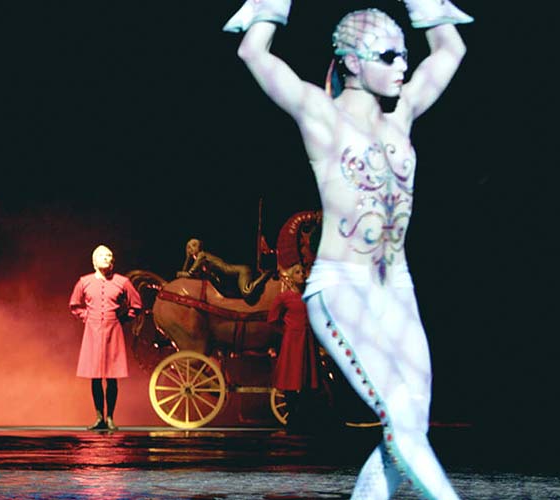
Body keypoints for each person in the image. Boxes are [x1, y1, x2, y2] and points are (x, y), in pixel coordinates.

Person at [224, 1, 471, 498]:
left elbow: (451, 47)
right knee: (402, 420)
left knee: (410, 427)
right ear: (354, 63)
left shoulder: (402, 116)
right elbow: (253, 50)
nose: (404, 64)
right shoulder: (320, 114)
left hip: (398, 289)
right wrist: (272, 5)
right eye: (389, 54)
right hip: (342, 288)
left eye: (405, 54)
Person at [69, 245, 142, 431]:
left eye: (109, 255)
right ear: (94, 261)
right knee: (95, 377)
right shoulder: (84, 282)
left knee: (111, 377)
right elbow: (74, 305)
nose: (105, 258)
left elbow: (136, 305)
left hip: (113, 331)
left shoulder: (122, 282)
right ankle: (99, 417)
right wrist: (86, 317)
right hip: (92, 332)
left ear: (113, 261)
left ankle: (110, 417)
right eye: (101, 255)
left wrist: (123, 319)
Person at [267, 263, 319, 431]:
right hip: (292, 340)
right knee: (291, 378)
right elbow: (273, 318)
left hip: (308, 340)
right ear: (291, 276)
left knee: (307, 379)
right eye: (297, 272)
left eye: (303, 272)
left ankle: (303, 417)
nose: (301, 275)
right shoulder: (284, 297)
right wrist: (287, 331)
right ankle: (292, 417)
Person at [177, 238, 271, 298]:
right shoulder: (201, 258)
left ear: (199, 247)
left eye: (193, 245)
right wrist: (188, 258)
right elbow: (186, 275)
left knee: (247, 292)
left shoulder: (202, 256)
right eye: (188, 247)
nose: (190, 249)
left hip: (241, 271)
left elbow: (190, 273)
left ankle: (266, 274)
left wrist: (179, 273)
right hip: (231, 279)